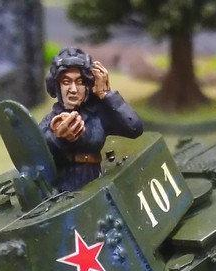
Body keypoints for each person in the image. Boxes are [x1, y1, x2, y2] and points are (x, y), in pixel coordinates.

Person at [39, 47, 144, 193]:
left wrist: (106, 95)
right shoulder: (50, 121)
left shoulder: (99, 114)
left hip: (95, 183)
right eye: (66, 82)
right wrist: (59, 138)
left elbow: (134, 127)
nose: (73, 89)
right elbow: (36, 153)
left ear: (89, 84)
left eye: (80, 82)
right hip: (62, 190)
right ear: (56, 85)